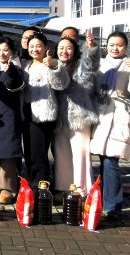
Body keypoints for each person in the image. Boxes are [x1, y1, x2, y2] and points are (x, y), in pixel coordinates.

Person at [89, 31, 130, 217]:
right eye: (112, 44)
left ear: (126, 47)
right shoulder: (101, 63)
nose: (115, 48)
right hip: (101, 112)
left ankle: (112, 205)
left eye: (120, 45)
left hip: (119, 114)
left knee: (111, 159)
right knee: (103, 159)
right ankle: (105, 200)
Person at [52, 33, 100, 194]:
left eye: (69, 48)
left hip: (80, 117)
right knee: (62, 156)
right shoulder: (54, 65)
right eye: (61, 48)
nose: (64, 51)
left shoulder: (81, 66)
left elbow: (90, 64)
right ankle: (64, 188)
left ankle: (82, 189)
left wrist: (90, 48)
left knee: (81, 155)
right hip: (59, 119)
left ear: (75, 50)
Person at [22, 32, 70, 188]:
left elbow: (61, 84)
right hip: (27, 113)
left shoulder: (52, 64)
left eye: (38, 46)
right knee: (29, 153)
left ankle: (40, 187)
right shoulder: (25, 65)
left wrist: (54, 66)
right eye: (31, 46)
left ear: (46, 48)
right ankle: (33, 184)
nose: (35, 49)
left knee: (39, 154)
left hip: (43, 114)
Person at [0, 36, 25, 204]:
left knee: (8, 151)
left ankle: (8, 189)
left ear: (12, 52)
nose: (2, 53)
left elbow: (14, 84)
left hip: (8, 115)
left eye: (6, 50)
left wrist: (10, 71)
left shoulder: (16, 69)